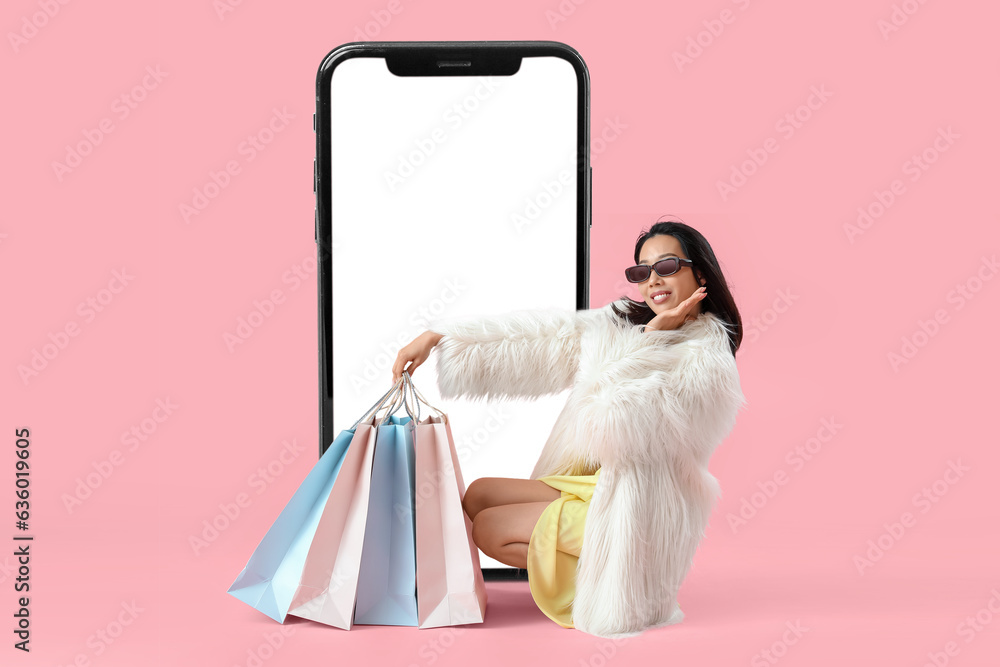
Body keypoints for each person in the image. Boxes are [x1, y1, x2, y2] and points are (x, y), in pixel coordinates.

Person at [391, 219, 746, 638]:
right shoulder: (622, 323)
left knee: (488, 529)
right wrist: (437, 337)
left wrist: (650, 339)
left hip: (635, 511)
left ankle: (607, 576)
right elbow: (544, 337)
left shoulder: (707, 363)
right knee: (480, 493)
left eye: (666, 266)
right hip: (595, 483)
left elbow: (613, 423)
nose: (652, 281)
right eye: (641, 271)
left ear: (699, 272)